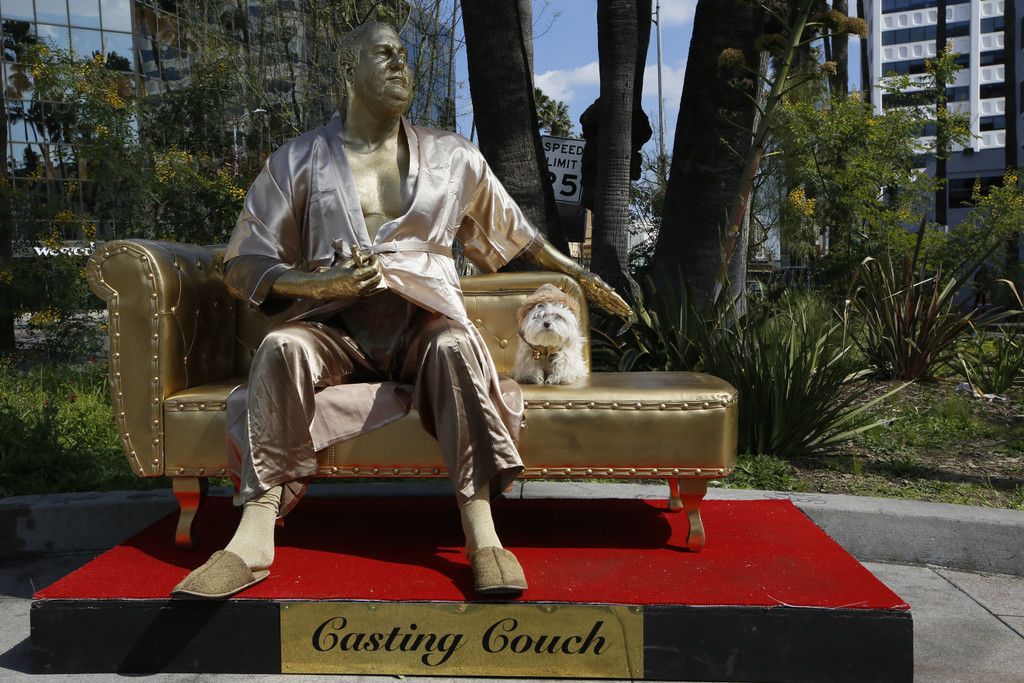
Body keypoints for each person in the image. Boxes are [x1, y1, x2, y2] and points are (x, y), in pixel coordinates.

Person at [172, 20, 629, 599]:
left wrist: (581, 275)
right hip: (334, 328)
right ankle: (253, 534)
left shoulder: (453, 156)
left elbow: (519, 234)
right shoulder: (296, 160)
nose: (400, 66)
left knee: (456, 344)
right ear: (348, 67)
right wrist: (322, 285)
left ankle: (482, 530)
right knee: (281, 347)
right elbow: (244, 262)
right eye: (385, 53)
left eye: (406, 57)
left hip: (423, 323)